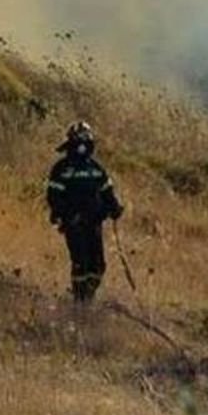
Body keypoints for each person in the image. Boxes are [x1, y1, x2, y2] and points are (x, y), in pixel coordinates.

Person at [46, 121, 123, 302]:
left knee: (98, 266)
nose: (82, 145)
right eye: (79, 141)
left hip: (94, 222)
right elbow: (53, 196)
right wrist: (62, 215)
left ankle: (89, 295)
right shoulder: (62, 169)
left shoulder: (96, 169)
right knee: (80, 262)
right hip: (73, 223)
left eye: (86, 140)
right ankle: (79, 300)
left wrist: (114, 208)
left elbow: (107, 192)